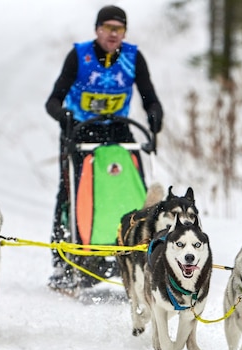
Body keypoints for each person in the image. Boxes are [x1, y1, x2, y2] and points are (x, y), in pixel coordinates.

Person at [45, 5, 163, 289]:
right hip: (81, 131)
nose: (113, 34)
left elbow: (150, 98)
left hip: (118, 130)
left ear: (124, 33)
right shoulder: (79, 56)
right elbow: (53, 101)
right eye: (108, 28)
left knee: (134, 189)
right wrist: (65, 117)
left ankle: (136, 253)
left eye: (119, 29)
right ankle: (64, 263)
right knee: (69, 194)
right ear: (97, 30)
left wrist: (155, 115)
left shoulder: (133, 58)